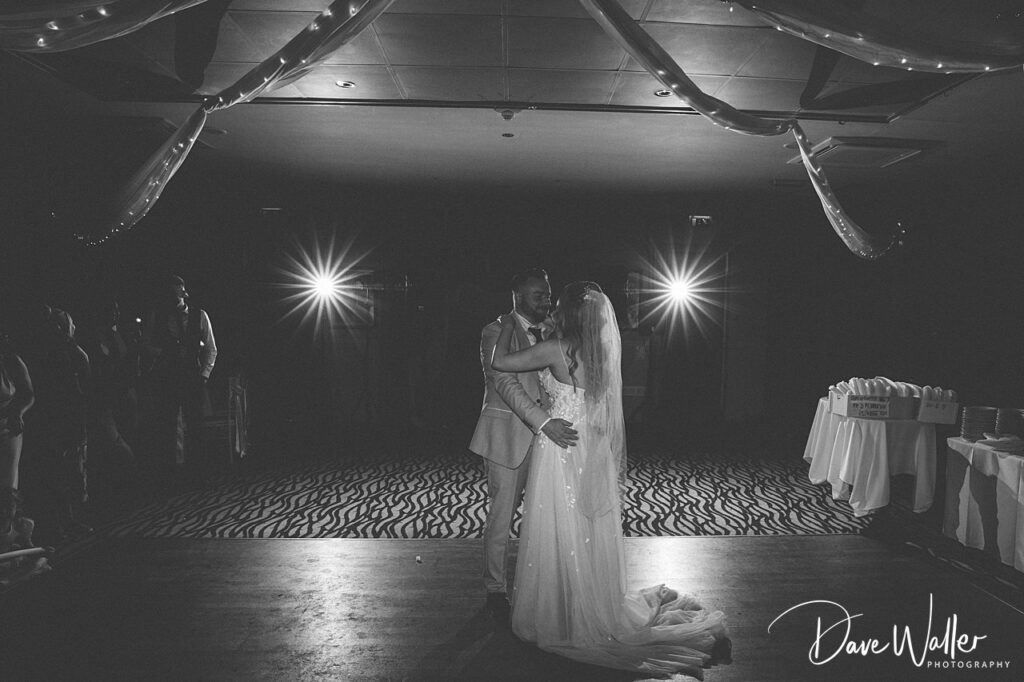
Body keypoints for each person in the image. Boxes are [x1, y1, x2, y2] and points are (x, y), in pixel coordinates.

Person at [491, 281, 730, 677]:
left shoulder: (554, 349)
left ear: (567, 313)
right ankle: (592, 606)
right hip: (592, 445)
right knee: (588, 527)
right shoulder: (601, 351)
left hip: (562, 446)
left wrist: (503, 325)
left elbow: (501, 363)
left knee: (559, 526)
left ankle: (563, 614)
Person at [469, 268, 578, 622]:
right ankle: (495, 589)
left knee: (546, 514)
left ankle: (542, 584)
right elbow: (505, 383)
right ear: (517, 296)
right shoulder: (495, 331)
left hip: (550, 442)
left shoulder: (551, 331)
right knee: (502, 516)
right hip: (509, 437)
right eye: (537, 295)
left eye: (548, 294)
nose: (546, 301)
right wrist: (544, 423)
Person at [141, 275, 217, 485]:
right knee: (167, 424)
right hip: (168, 376)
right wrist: (165, 353)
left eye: (176, 292)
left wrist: (204, 375)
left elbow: (211, 348)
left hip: (193, 376)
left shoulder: (199, 315)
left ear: (183, 293)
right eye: (169, 293)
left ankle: (198, 471)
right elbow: (146, 345)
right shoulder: (157, 316)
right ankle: (172, 472)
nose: (172, 297)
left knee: (196, 423)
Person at [1, 324, 35, 515]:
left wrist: (18, 413)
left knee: (7, 487)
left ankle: (7, 532)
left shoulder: (11, 361)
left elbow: (28, 393)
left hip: (7, 429)